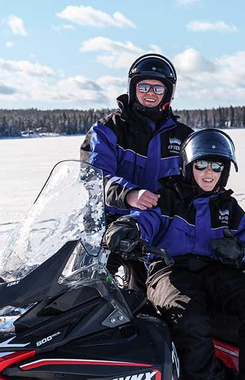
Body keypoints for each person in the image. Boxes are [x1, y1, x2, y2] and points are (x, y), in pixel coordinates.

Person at [103, 129, 245, 380]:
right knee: (188, 314)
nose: (209, 174)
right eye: (202, 166)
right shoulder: (166, 197)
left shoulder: (228, 208)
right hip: (169, 268)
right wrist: (125, 228)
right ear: (188, 166)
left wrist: (239, 252)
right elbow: (141, 221)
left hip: (216, 270)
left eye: (217, 167)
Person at [81, 53, 193, 290]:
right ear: (133, 89)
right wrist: (128, 194)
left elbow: (197, 182)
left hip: (155, 228)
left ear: (168, 94)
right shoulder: (107, 130)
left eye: (157, 88)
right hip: (107, 226)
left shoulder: (183, 137)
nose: (150, 93)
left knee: (147, 298)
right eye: (143, 86)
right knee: (88, 290)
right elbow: (94, 176)